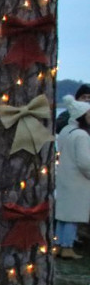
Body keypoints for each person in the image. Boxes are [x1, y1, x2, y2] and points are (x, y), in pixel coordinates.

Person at [54, 96, 90, 260]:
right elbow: (85, 162)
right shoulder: (82, 135)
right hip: (77, 180)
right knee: (73, 216)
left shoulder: (64, 131)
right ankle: (67, 246)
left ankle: (58, 244)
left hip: (64, 177)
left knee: (63, 214)